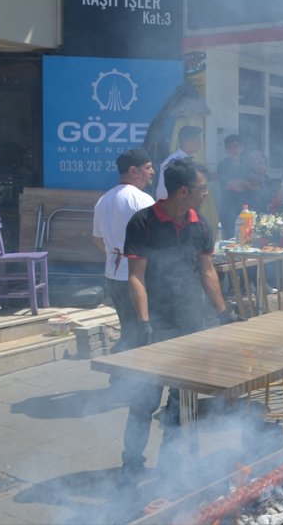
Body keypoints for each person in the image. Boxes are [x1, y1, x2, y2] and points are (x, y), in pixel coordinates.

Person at [121, 158, 242, 484]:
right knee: (145, 400)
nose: (206, 194)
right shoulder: (143, 222)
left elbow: (206, 270)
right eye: (202, 189)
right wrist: (144, 322)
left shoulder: (200, 223)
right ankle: (131, 465)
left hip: (190, 323)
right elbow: (136, 276)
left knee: (181, 401)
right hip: (156, 325)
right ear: (184, 190)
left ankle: (170, 469)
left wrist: (222, 312)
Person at [92, 149, 155, 353]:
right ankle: (129, 377)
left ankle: (122, 377)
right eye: (148, 168)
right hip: (139, 279)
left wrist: (116, 252)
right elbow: (157, 240)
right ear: (133, 171)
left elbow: (98, 240)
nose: (152, 172)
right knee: (144, 331)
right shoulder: (142, 200)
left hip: (113, 275)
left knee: (129, 329)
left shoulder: (103, 200)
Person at [217, 134, 254, 236]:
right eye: (229, 147)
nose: (233, 150)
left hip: (249, 209)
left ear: (242, 148)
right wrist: (246, 184)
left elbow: (255, 185)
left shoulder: (249, 164)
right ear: (226, 150)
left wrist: (243, 183)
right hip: (230, 212)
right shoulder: (223, 166)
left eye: (236, 146)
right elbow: (232, 186)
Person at [156, 125, 203, 200]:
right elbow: (164, 191)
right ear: (187, 141)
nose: (200, 143)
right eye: (197, 140)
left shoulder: (186, 159)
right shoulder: (173, 162)